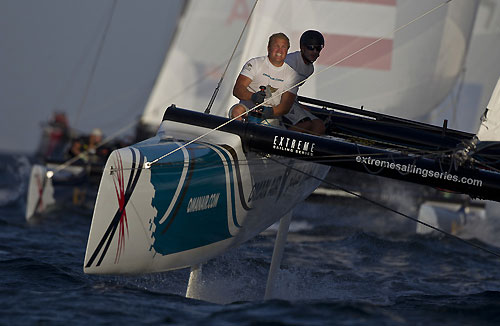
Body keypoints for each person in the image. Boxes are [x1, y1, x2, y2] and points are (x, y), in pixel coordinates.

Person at [230, 32, 298, 125]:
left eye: (284, 47)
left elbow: (285, 107)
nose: (280, 51)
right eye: (276, 46)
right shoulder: (255, 63)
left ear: (287, 50)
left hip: (270, 116)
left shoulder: (292, 74)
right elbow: (237, 89)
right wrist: (253, 96)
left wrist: (268, 111)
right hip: (248, 109)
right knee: (237, 111)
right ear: (268, 48)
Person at [283, 30, 326, 135]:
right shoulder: (290, 61)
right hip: (278, 98)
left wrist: (298, 105)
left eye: (318, 48)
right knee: (305, 124)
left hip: (291, 100)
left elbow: (293, 89)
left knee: (319, 126)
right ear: (302, 47)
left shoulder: (310, 69)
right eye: (311, 47)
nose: (315, 52)